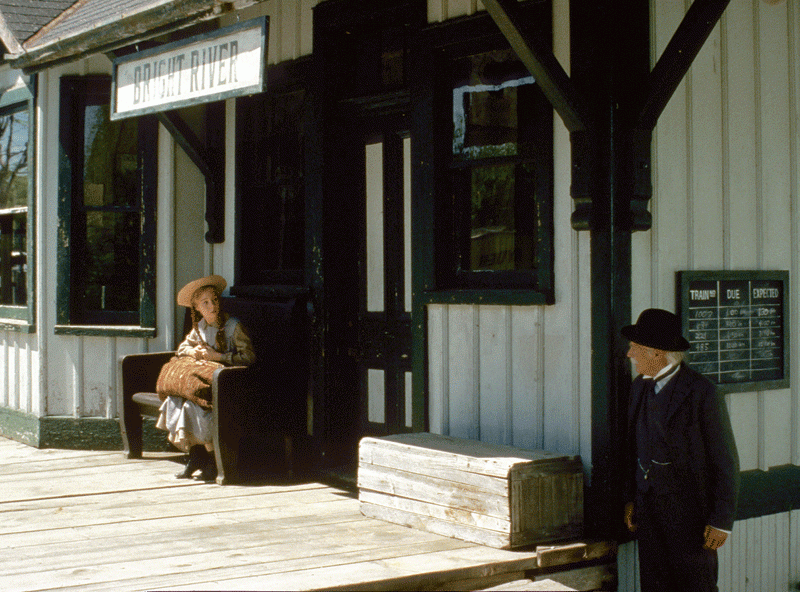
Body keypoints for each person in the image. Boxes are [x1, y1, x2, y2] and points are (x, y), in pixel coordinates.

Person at [622, 308, 739, 592]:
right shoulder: (639, 388)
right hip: (649, 512)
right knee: (654, 584)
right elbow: (634, 448)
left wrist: (721, 521)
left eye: (635, 348)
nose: (629, 355)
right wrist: (631, 498)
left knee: (695, 586)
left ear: (656, 354)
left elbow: (725, 461)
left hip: (692, 518)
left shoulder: (703, 393)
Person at [156, 275, 256, 481]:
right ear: (197, 308)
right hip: (207, 384)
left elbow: (249, 358)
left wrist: (218, 356)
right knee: (178, 399)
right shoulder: (200, 327)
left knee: (196, 406)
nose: (212, 306)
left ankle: (211, 459)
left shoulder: (233, 327)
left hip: (231, 384)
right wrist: (195, 353)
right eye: (205, 303)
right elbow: (184, 347)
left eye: (215, 300)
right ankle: (195, 455)